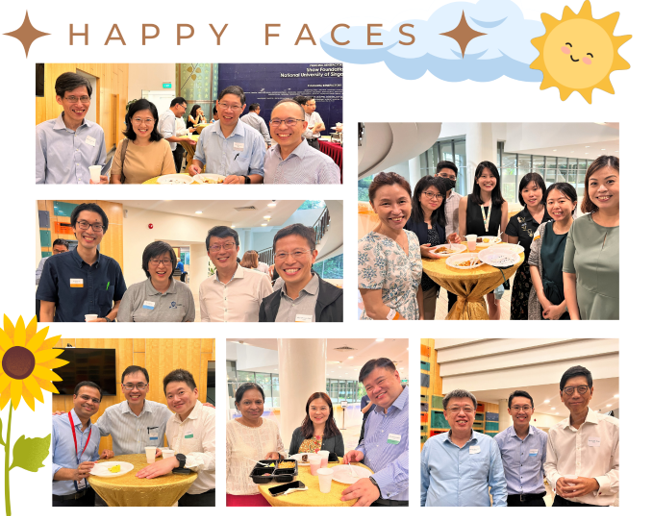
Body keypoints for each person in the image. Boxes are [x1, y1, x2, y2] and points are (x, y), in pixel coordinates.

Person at [136, 369, 215, 506]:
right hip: (178, 491)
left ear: (195, 392)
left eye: (181, 392)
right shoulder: (171, 420)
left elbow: (215, 458)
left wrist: (177, 460)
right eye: (170, 396)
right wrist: (165, 451)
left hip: (207, 495)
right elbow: (177, 449)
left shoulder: (211, 416)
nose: (176, 399)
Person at [37, 203, 126, 322]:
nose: (90, 231)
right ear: (73, 227)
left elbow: (122, 302)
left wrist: (107, 319)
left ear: (103, 231)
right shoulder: (54, 264)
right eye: (83, 224)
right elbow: (46, 311)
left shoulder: (112, 266)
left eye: (97, 226)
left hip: (104, 337)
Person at [544, 365, 619, 506]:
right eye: (569, 390)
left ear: (591, 392)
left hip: (597, 506)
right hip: (561, 503)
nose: (576, 395)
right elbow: (549, 465)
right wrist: (556, 480)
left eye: (582, 388)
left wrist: (596, 483)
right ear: (561, 395)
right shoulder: (555, 431)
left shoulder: (614, 427)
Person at [420, 389, 506, 506]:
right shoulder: (431, 445)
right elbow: (420, 486)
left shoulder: (489, 444)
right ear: (446, 414)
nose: (461, 414)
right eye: (455, 408)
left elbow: (499, 486)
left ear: (474, 414)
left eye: (467, 409)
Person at [341, 358, 408, 506]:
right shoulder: (374, 414)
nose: (376, 390)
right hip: (368, 491)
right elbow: (367, 442)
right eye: (369, 387)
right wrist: (360, 451)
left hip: (396, 499)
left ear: (396, 376)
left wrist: (378, 483)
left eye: (380, 381)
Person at [358, 172, 423, 320]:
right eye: (386, 203)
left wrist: (421, 317)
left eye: (402, 201)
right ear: (373, 206)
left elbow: (415, 287)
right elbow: (374, 309)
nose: (396, 210)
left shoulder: (412, 237)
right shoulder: (367, 247)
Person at [564, 156, 619, 320]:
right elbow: (568, 274)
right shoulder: (578, 226)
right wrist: (575, 320)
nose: (601, 189)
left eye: (610, 181)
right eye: (594, 183)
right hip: (584, 315)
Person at [259, 224, 343, 322]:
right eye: (282, 254)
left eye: (298, 252)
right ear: (275, 259)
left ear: (313, 256)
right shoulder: (267, 304)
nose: (289, 261)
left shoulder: (339, 301)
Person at [404, 176, 460, 320]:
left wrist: (448, 241)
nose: (434, 198)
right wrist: (418, 251)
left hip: (432, 281)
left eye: (439, 195)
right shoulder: (407, 220)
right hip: (412, 285)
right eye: (429, 193)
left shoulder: (438, 221)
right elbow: (395, 250)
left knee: (428, 319)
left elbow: (436, 246)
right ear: (418, 195)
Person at [36, 72, 107, 184]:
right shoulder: (41, 133)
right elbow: (36, 179)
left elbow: (101, 168)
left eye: (84, 98)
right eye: (72, 98)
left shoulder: (97, 131)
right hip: (57, 200)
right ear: (59, 99)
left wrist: (103, 180)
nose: (79, 105)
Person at [458, 160, 508, 320]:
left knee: (494, 302)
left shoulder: (502, 204)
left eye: (492, 176)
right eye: (483, 176)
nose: (488, 180)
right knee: (472, 300)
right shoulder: (465, 201)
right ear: (476, 179)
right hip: (472, 258)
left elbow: (505, 235)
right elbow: (462, 234)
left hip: (494, 258)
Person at [52, 382, 114, 506]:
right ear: (74, 397)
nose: (90, 402)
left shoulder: (95, 431)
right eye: (85, 397)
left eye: (95, 400)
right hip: (59, 500)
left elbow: (91, 459)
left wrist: (100, 459)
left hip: (88, 495)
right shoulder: (53, 424)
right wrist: (73, 473)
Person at [188, 86, 265, 183]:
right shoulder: (206, 132)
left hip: (238, 195)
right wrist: (195, 166)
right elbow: (199, 158)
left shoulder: (254, 137)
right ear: (217, 105)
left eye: (235, 106)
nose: (228, 110)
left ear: (242, 108)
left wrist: (241, 180)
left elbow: (259, 174)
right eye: (224, 104)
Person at [226, 383, 285, 506]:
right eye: (247, 402)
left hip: (272, 492)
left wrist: (278, 455)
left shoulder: (272, 425)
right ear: (238, 405)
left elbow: (282, 452)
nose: (254, 407)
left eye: (258, 402)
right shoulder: (228, 429)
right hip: (239, 495)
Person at [199, 226, 272, 322]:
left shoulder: (260, 280)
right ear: (209, 254)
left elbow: (271, 319)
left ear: (237, 248)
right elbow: (206, 319)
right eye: (215, 247)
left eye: (227, 245)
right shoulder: (205, 286)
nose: (222, 251)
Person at [528, 183, 578, 320]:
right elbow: (533, 263)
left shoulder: (581, 231)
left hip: (573, 302)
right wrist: (542, 297)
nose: (556, 206)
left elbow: (586, 276)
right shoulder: (542, 229)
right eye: (551, 202)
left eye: (562, 201)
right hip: (544, 300)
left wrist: (562, 308)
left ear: (574, 204)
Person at [505, 173, 551, 320]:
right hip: (526, 277)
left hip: (553, 273)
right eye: (526, 190)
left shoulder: (554, 213)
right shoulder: (516, 220)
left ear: (543, 190)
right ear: (521, 194)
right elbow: (511, 252)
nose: (531, 194)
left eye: (535, 189)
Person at [264, 99, 340, 184]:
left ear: (304, 126)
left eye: (290, 121)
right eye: (276, 121)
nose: (282, 127)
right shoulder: (269, 155)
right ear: (270, 125)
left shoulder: (324, 165)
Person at [493, 390, 548, 506]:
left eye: (526, 407)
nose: (521, 412)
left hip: (536, 501)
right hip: (509, 501)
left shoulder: (543, 438)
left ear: (532, 410)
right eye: (516, 407)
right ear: (509, 411)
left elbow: (546, 466)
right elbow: (496, 472)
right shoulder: (499, 439)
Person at [117, 241, 195, 322]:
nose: (161, 266)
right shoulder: (133, 291)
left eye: (166, 260)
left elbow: (188, 321)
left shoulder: (184, 291)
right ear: (147, 265)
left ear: (172, 264)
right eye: (155, 260)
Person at [109, 99, 176, 184]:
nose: (143, 125)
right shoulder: (123, 144)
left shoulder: (164, 145)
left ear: (154, 121)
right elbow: (115, 179)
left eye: (148, 120)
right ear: (131, 120)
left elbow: (168, 180)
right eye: (138, 119)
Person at [435, 161, 461, 312]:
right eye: (444, 175)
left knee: (454, 295)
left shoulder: (460, 200)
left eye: (452, 177)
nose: (448, 179)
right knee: (430, 293)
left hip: (453, 251)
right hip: (432, 251)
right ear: (435, 176)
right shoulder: (429, 199)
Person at [288, 392, 344, 456]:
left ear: (330, 410)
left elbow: (340, 461)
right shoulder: (298, 432)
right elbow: (291, 457)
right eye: (313, 408)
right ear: (308, 410)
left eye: (323, 408)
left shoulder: (336, 435)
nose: (318, 412)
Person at [158, 97, 196, 173]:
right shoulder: (170, 116)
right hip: (167, 150)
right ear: (177, 105)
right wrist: (184, 139)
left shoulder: (165, 114)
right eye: (184, 108)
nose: (185, 111)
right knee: (172, 173)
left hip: (162, 148)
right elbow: (166, 136)